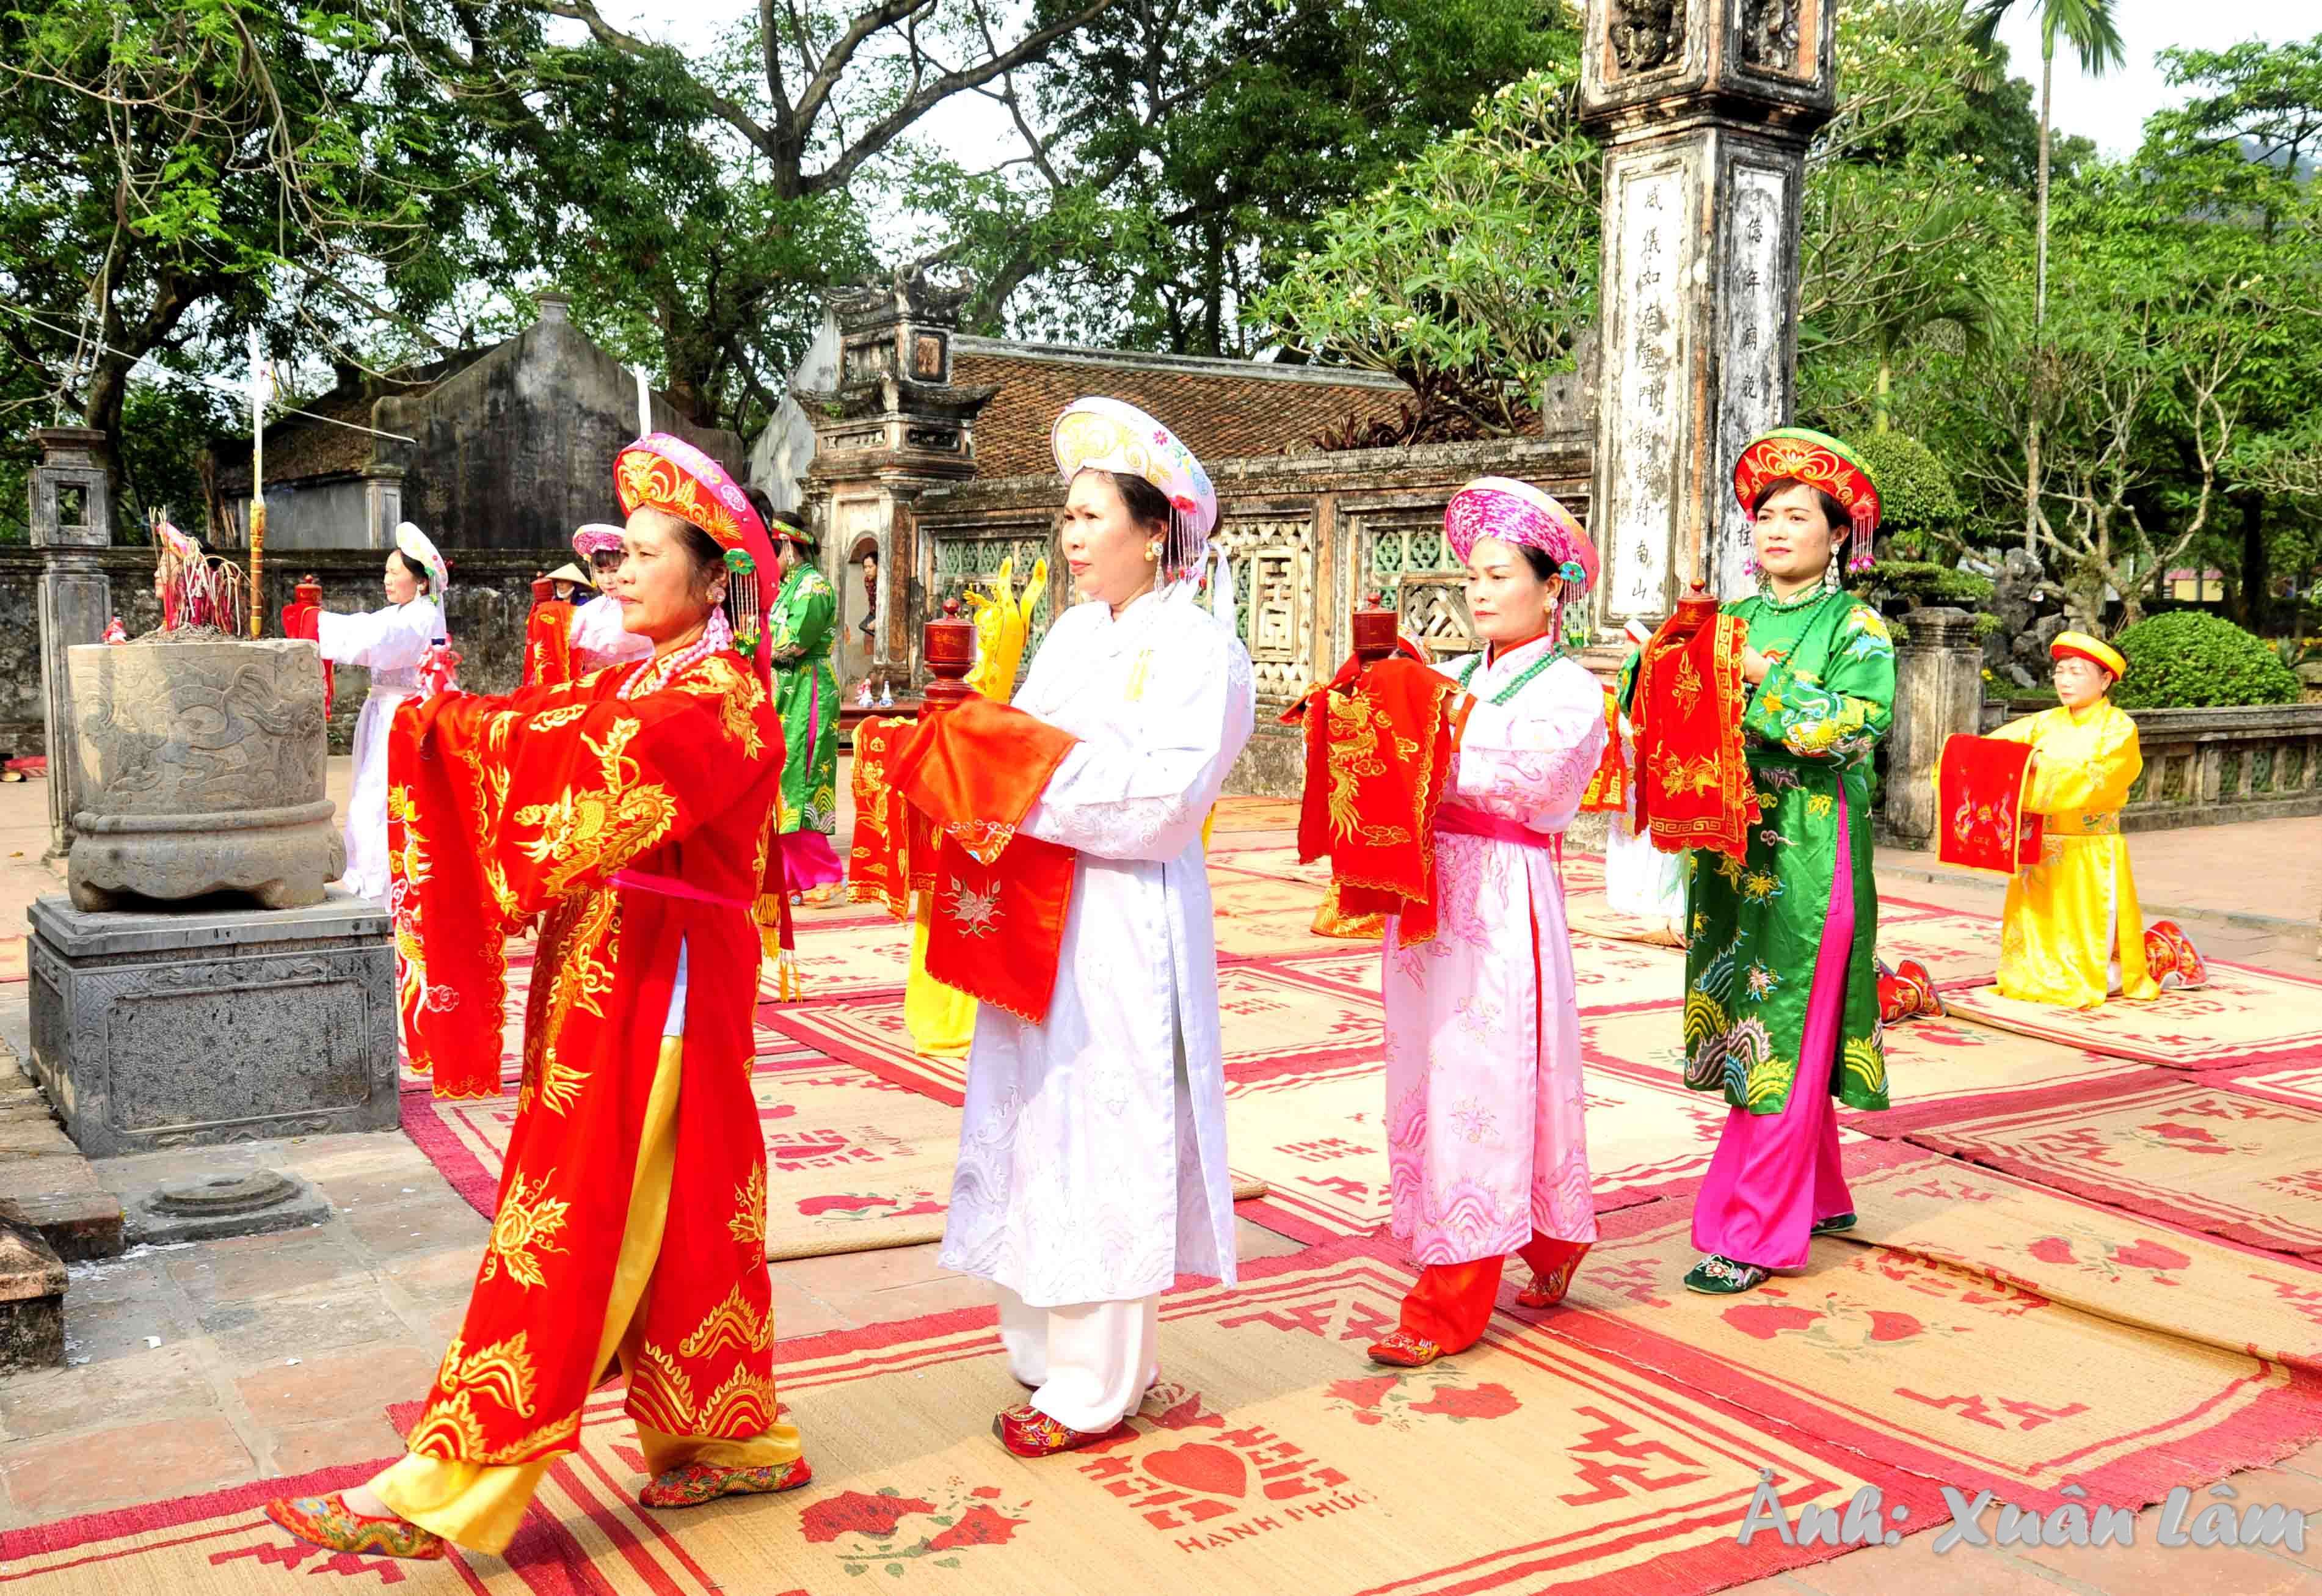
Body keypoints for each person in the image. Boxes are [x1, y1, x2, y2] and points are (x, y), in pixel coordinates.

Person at [263, 434, 803, 1561]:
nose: (620, 573)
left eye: (645, 554)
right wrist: (458, 721)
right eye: (621, 555)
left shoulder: (719, 698)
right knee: (689, 1210)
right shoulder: (644, 678)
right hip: (610, 970)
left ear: (714, 580)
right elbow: (564, 722)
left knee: (569, 1218)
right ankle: (730, 1435)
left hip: (662, 987)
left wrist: (448, 730)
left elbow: (581, 753)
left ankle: (446, 1481)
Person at [932, 396, 1254, 1457]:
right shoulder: (1071, 635)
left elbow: (1163, 799)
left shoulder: (1203, 650)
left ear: (1153, 530)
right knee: (1035, 1120)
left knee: (1108, 1128)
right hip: (1036, 913)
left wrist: (1015, 778)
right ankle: (1043, 1349)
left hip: (1124, 917)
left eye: (1089, 515)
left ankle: (1094, 1384)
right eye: (1064, 516)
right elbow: (1019, 746)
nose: (1070, 536)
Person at [1639, 428, 1896, 1298]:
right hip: (1728, 850)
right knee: (1751, 1013)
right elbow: (1662, 711)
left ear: (1838, 534)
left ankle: (1748, 1231)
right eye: (1765, 517)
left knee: (1778, 1027)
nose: (1776, 530)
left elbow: (1856, 726)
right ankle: (1815, 1190)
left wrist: (1757, 676)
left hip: (1811, 852)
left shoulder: (1856, 626)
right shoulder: (1728, 618)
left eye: (1796, 516)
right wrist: (1659, 658)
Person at [1366, 479, 1608, 1369]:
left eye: (1499, 575)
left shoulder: (1572, 691)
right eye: (1471, 576)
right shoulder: (1456, 677)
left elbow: (1526, 776)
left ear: (1551, 589)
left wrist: (1413, 718)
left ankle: (1447, 1302)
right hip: (1431, 894)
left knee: (1484, 1080)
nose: (1478, 592)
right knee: (1441, 1076)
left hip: (1504, 895)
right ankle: (1551, 1236)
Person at [1981, 632, 2162, 1008]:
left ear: (2105, 680)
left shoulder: (2118, 728)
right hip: (2039, 844)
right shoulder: (2042, 723)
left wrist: (2035, 765)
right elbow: (1990, 751)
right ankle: (2031, 974)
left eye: (2077, 672)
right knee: (2036, 923)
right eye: (2060, 671)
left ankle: (2106, 970)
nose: (2064, 681)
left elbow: (2096, 776)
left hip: (2089, 847)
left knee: (2088, 932)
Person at [313, 522, 451, 900]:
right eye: (386, 572)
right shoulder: (400, 613)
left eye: (394, 572)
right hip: (383, 711)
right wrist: (321, 620)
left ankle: (385, 883)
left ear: (420, 581)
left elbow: (380, 641)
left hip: (404, 715)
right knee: (369, 791)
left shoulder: (423, 616)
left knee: (382, 796)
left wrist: (318, 624)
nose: (387, 579)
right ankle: (367, 876)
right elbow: (369, 626)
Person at [751, 490, 843, 903]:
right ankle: (791, 877)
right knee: (778, 782)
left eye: (772, 549)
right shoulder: (786, 587)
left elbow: (791, 641)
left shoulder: (813, 588)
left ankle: (824, 874)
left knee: (799, 781)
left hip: (808, 690)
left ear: (789, 546)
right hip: (783, 690)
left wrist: (751, 640)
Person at [567, 522, 653, 677]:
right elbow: (568, 634)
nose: (607, 580)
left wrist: (585, 639)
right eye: (600, 572)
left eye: (614, 571)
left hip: (635, 680)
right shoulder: (590, 609)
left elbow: (620, 639)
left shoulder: (642, 604)